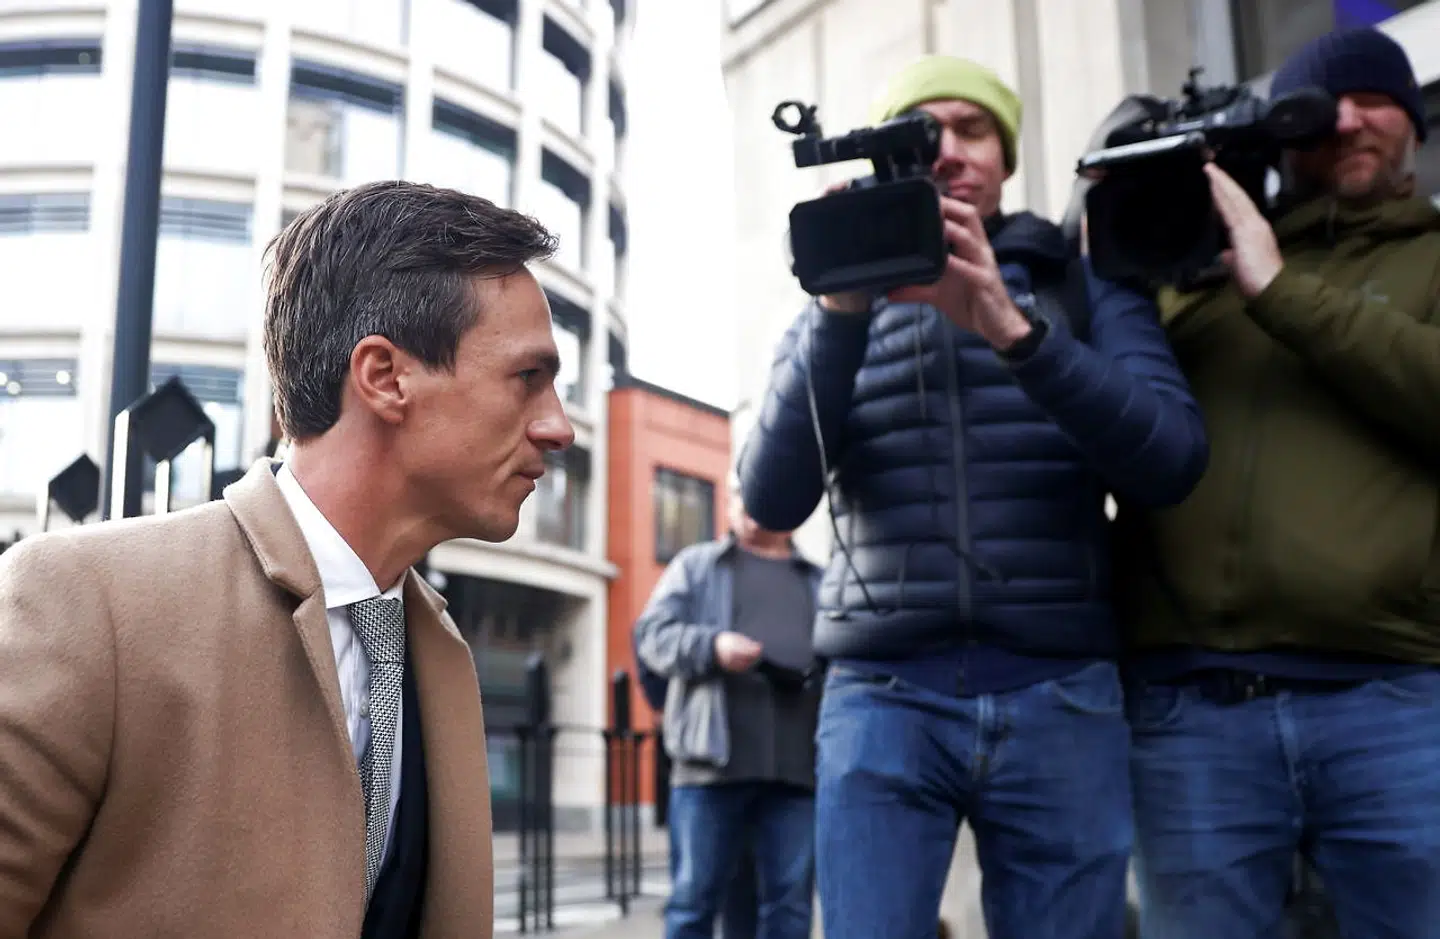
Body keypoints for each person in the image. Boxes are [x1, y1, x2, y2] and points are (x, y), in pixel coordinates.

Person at [0, 180, 573, 939]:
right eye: (528, 378)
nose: (558, 427)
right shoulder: (83, 600)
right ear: (384, 376)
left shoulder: (438, 651)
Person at [737, 55, 1209, 939]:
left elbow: (1172, 459)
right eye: (923, 131)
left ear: (1007, 152)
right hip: (883, 695)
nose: (948, 150)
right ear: (886, 155)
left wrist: (1014, 330)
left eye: (973, 128)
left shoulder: (1083, 280)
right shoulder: (837, 299)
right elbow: (770, 496)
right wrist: (840, 317)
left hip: (1061, 690)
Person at [1112, 25, 1440, 939]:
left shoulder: (1430, 258)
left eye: (1373, 98)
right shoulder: (1189, 276)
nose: (1346, 120)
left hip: (1396, 700)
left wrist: (1281, 289)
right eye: (1315, 109)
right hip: (1191, 709)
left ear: (1413, 122)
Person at [634, 490, 823, 939]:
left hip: (799, 776)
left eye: (762, 492)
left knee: (790, 907)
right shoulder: (697, 566)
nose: (748, 505)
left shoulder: (819, 578)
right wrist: (711, 647)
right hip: (710, 771)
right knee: (693, 901)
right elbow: (652, 637)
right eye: (741, 494)